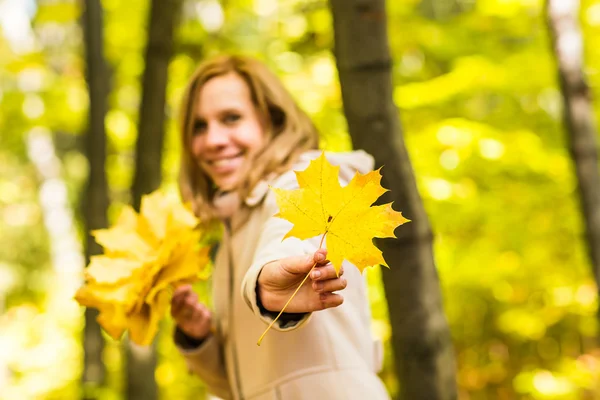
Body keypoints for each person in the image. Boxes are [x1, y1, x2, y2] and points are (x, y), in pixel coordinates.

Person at [170, 54, 389, 400]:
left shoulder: (311, 180)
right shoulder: (233, 229)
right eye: (199, 126)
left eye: (231, 118)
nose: (212, 140)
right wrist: (200, 339)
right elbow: (242, 389)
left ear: (272, 119)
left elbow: (293, 238)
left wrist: (268, 282)